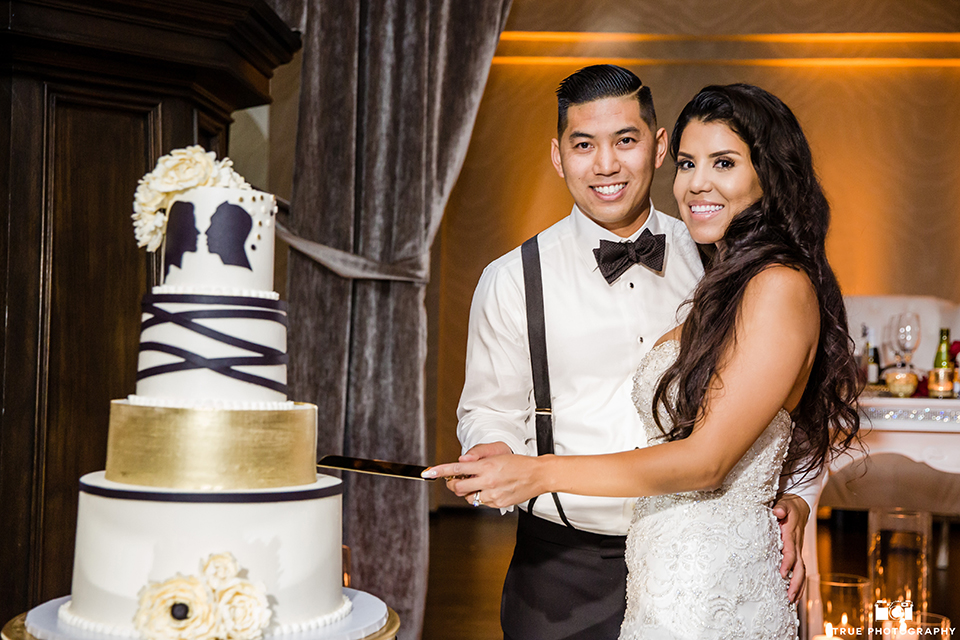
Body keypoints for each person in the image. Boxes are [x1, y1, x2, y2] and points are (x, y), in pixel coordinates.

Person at [430, 67, 822, 640]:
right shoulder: (512, 279)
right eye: (583, 145)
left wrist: (798, 498)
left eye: (626, 141)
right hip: (564, 571)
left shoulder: (723, 251)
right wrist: (492, 449)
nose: (605, 165)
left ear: (659, 147)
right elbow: (488, 409)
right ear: (559, 155)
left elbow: (797, 406)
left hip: (701, 563)